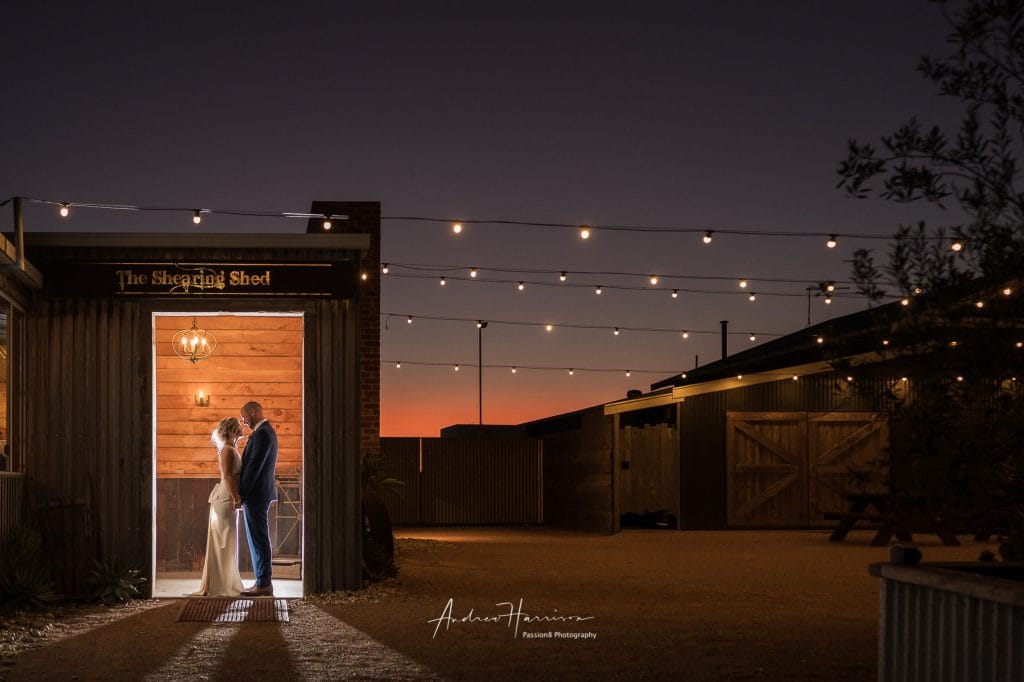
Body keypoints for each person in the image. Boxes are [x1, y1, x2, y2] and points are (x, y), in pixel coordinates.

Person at [193, 417, 245, 597]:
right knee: (223, 542)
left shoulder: (232, 449)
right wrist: (235, 498)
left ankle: (226, 582)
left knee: (228, 541)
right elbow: (229, 477)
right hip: (224, 499)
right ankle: (219, 585)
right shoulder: (227, 450)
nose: (242, 427)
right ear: (231, 431)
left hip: (227, 497)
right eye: (238, 426)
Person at [238, 401, 278, 596]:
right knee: (257, 537)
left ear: (253, 412)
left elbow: (254, 466)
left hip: (256, 494)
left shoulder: (263, 434)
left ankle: (264, 583)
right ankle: (261, 581)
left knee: (259, 538)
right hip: (258, 493)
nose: (243, 422)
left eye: (244, 417)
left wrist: (241, 493)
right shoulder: (265, 432)